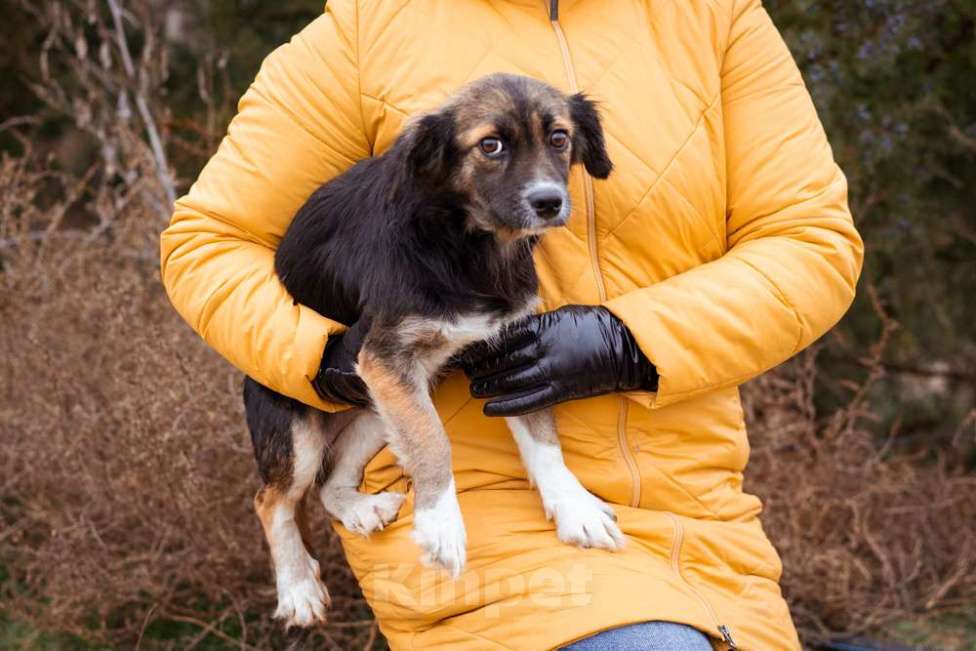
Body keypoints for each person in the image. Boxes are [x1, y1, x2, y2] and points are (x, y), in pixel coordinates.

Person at [160, 1, 863, 649]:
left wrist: (631, 339)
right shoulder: (370, 25)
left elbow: (812, 243)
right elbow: (207, 241)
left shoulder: (716, 17)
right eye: (494, 149)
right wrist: (320, 359)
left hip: (706, 518)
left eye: (558, 143)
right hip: (475, 516)